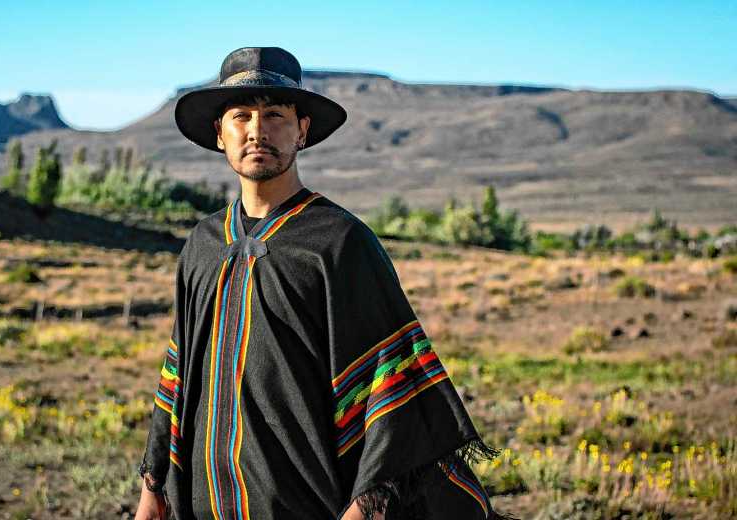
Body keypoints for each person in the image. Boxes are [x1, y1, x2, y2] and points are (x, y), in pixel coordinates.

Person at [133, 46, 506, 520]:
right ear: (219, 133)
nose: (257, 130)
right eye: (241, 115)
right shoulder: (203, 245)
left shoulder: (340, 243)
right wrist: (153, 487)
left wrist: (365, 507)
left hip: (308, 503)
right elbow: (178, 372)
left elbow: (391, 385)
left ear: (302, 130)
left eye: (275, 115)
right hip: (204, 503)